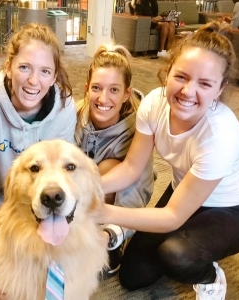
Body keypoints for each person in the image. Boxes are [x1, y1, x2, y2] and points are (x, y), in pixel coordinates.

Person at [92, 22, 239, 299]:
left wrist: (102, 212)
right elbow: (130, 168)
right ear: (169, 70)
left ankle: (210, 276)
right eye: (182, 76)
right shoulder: (154, 103)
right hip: (182, 191)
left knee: (177, 255)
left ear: (219, 89)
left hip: (231, 208)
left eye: (205, 83)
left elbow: (172, 216)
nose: (187, 91)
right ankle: (195, 245)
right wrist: (84, 189)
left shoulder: (222, 134)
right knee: (133, 276)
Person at [0, 23, 77, 239]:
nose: (33, 81)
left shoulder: (65, 108)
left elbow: (66, 173)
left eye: (45, 71)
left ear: (55, 76)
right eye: (24, 67)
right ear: (8, 67)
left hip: (51, 207)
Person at [75, 43, 154, 278]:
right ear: (87, 89)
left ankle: (108, 240)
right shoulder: (73, 115)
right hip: (75, 194)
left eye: (114, 90)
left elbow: (139, 190)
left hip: (118, 199)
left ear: (126, 93)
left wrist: (113, 232)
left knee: (108, 168)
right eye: (97, 88)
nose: (103, 98)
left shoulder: (139, 131)